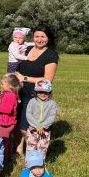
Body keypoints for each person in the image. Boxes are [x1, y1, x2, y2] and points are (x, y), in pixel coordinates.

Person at [15, 24, 59, 155]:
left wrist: (25, 78)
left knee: (26, 125)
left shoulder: (51, 55)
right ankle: (18, 148)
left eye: (43, 37)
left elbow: (47, 80)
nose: (39, 39)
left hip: (35, 95)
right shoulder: (27, 49)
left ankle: (33, 151)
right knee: (17, 121)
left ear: (49, 38)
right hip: (19, 92)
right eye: (36, 36)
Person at [26, 79, 58, 158]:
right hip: (32, 130)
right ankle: (29, 166)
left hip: (45, 131)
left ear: (49, 92)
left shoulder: (52, 104)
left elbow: (52, 116)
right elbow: (29, 114)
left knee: (42, 149)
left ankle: (40, 166)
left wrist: (43, 126)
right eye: (40, 92)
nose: (43, 94)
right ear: (36, 92)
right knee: (31, 148)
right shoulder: (32, 102)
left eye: (46, 92)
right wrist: (38, 125)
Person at [0, 73, 21, 161]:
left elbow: (8, 110)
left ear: (9, 86)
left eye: (3, 84)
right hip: (7, 122)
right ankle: (7, 155)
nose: (1, 85)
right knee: (6, 141)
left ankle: (4, 158)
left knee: (4, 141)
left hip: (7, 123)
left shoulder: (10, 96)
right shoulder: (9, 94)